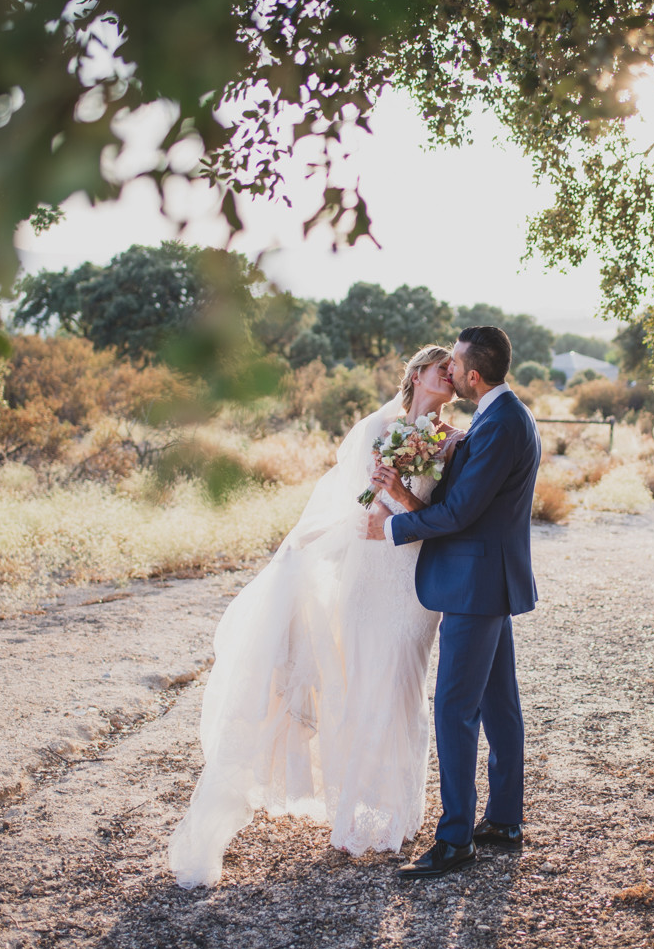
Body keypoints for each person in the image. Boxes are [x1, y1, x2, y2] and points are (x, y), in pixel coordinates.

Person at [167, 345, 460, 888]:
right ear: (418, 374)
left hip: (416, 578)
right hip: (371, 572)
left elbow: (444, 512)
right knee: (362, 684)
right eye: (443, 368)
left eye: (455, 371)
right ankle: (355, 816)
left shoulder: (452, 438)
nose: (451, 376)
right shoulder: (381, 426)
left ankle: (399, 812)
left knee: (404, 686)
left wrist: (401, 500)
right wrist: (334, 531)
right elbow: (359, 500)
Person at [363, 325, 541, 880]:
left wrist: (393, 528)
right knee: (497, 703)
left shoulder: (501, 423)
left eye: (457, 364)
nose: (451, 370)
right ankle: (505, 819)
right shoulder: (498, 416)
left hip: (475, 586)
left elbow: (460, 512)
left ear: (474, 374)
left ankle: (456, 836)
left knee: (454, 709)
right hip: (488, 581)